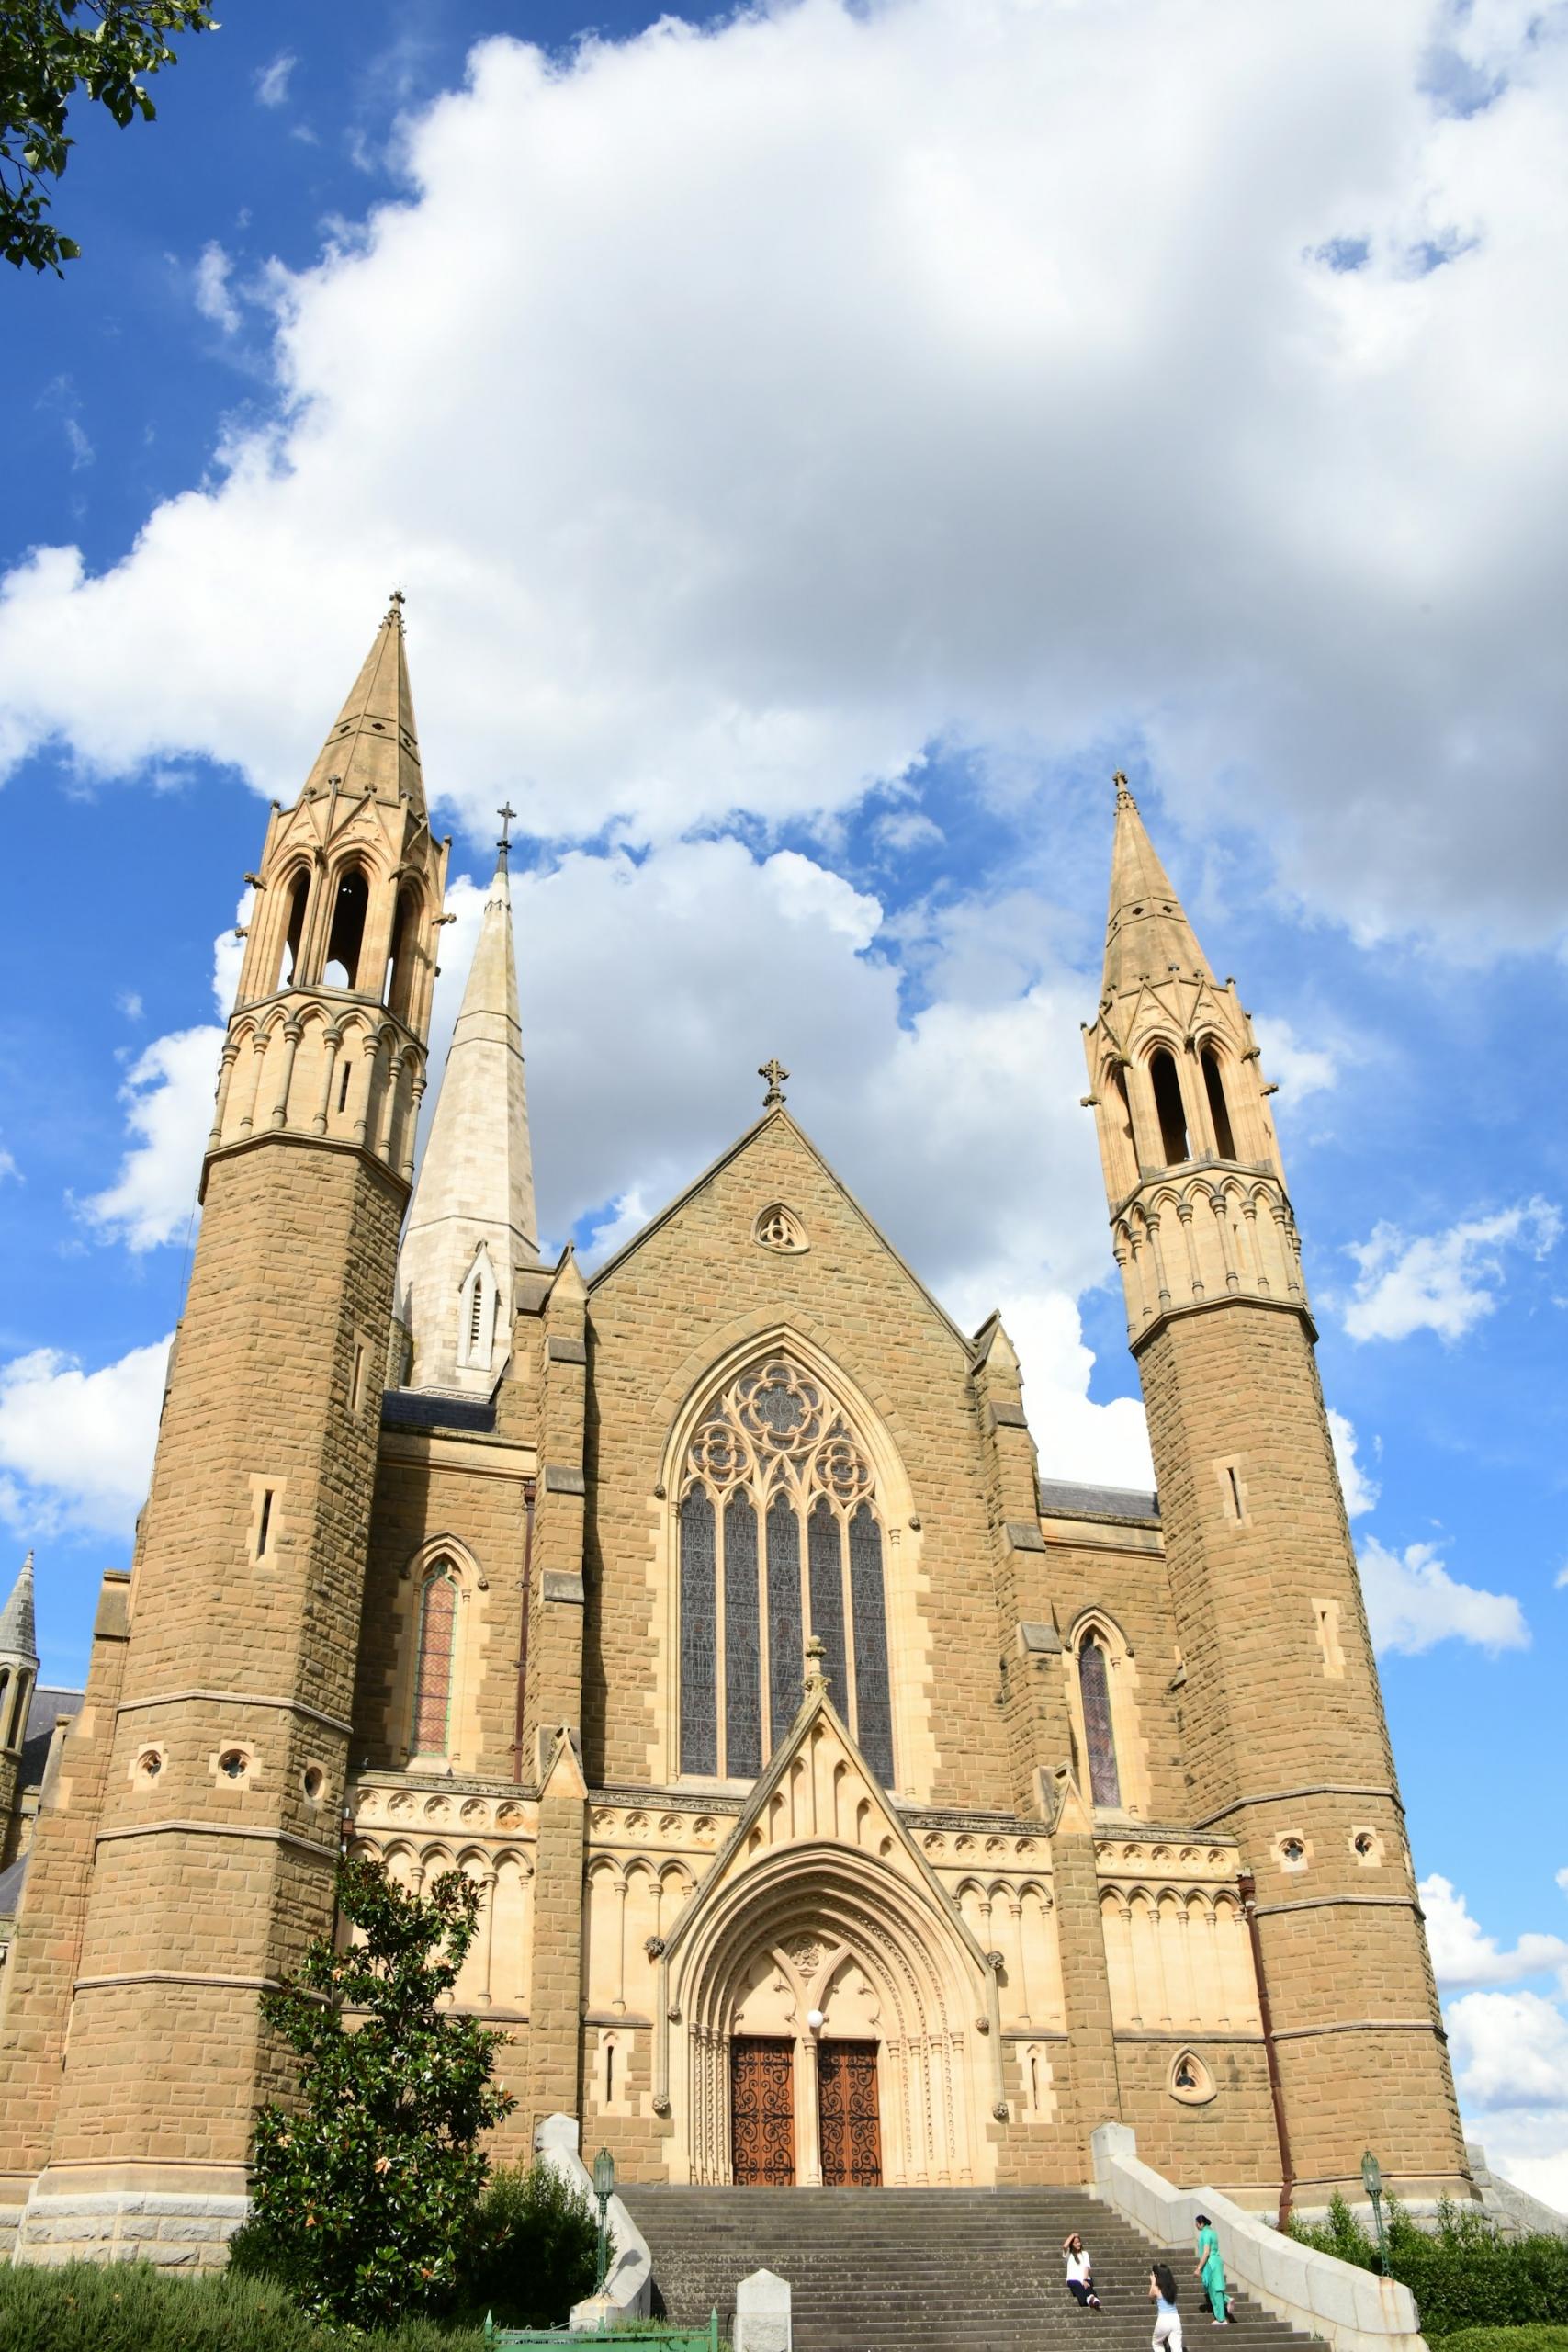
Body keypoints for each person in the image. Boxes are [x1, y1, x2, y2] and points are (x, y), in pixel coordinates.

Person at [1193, 2213, 1231, 2324]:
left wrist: (1199, 2268)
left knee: (1213, 2291)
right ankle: (1227, 2300)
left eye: (1196, 2224)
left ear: (1201, 2224)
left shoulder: (1205, 2234)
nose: (1196, 2226)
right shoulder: (1213, 2232)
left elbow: (1206, 2252)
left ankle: (1220, 2318)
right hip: (1217, 2261)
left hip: (1210, 2264)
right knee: (1217, 2288)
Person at [1063, 2232, 1102, 2310]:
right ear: (1072, 2245)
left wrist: (1084, 2279)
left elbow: (1086, 2267)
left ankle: (1091, 2298)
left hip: (1084, 2278)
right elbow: (1064, 2246)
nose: (1078, 2244)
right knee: (1078, 2287)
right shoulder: (1069, 2254)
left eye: (1079, 2242)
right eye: (1075, 2243)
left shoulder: (1085, 2253)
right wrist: (1073, 2235)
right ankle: (1090, 2299)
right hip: (1073, 2279)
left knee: (1087, 2285)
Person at [1150, 2262, 1183, 2352]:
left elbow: (1150, 2296)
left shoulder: (1157, 2288)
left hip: (1164, 2319)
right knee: (1177, 2347)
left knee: (1156, 2343)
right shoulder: (1173, 2288)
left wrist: (1153, 2283)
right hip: (1175, 2319)